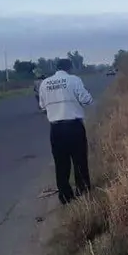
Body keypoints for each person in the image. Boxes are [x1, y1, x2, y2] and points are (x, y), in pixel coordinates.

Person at [38, 59, 93, 205]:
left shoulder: (45, 83)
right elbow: (86, 100)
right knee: (79, 160)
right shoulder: (73, 80)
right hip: (74, 126)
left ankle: (65, 195)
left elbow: (42, 107)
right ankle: (83, 191)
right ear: (69, 67)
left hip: (56, 129)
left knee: (61, 163)